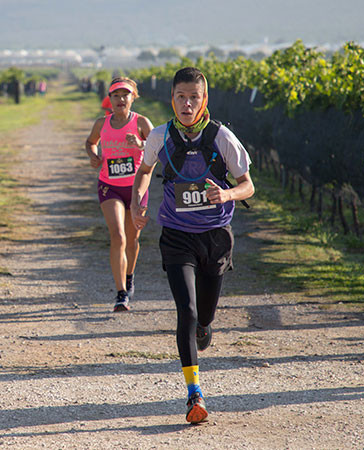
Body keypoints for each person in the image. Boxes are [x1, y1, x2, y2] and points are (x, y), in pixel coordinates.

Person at [130, 67, 254, 424]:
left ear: (205, 101)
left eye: (194, 98)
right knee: (186, 310)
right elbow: (145, 172)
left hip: (215, 236)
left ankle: (204, 327)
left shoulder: (222, 137)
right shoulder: (159, 136)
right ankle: (194, 393)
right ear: (172, 98)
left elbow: (249, 186)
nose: (187, 104)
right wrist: (139, 200)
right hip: (177, 235)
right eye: (181, 97)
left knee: (205, 316)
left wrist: (226, 192)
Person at [84, 77, 154, 312]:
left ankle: (130, 275)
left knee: (133, 240)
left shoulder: (142, 122)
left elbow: (159, 149)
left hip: (136, 188)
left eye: (125, 95)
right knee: (118, 236)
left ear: (133, 97)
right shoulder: (101, 123)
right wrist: (93, 156)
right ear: (110, 99)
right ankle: (121, 293)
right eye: (116, 95)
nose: (120, 99)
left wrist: (141, 145)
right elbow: (91, 142)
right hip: (109, 186)